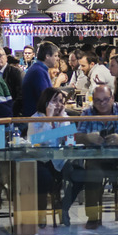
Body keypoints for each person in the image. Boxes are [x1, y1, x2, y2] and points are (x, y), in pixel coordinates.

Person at [76, 85, 118, 229]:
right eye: (98, 101)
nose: (102, 104)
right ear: (93, 101)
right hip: (96, 156)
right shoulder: (87, 112)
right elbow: (77, 137)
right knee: (93, 174)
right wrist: (88, 138)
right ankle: (93, 217)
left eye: (106, 100)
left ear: (112, 98)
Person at [29, 88, 83, 226]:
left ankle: (63, 207)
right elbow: (39, 140)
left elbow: (70, 141)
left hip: (60, 160)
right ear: (46, 102)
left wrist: (61, 121)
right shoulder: (35, 119)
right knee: (44, 178)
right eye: (54, 101)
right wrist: (49, 119)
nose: (59, 105)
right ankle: (40, 213)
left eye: (61, 101)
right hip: (42, 160)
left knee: (80, 175)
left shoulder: (64, 118)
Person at [22, 41, 59, 117]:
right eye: (55, 56)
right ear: (47, 56)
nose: (57, 59)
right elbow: (45, 99)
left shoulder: (38, 69)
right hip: (37, 120)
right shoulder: (38, 72)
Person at [0, 45, 23, 117]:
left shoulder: (15, 72)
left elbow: (20, 96)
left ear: (6, 58)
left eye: (0, 55)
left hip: (12, 115)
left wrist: (9, 111)